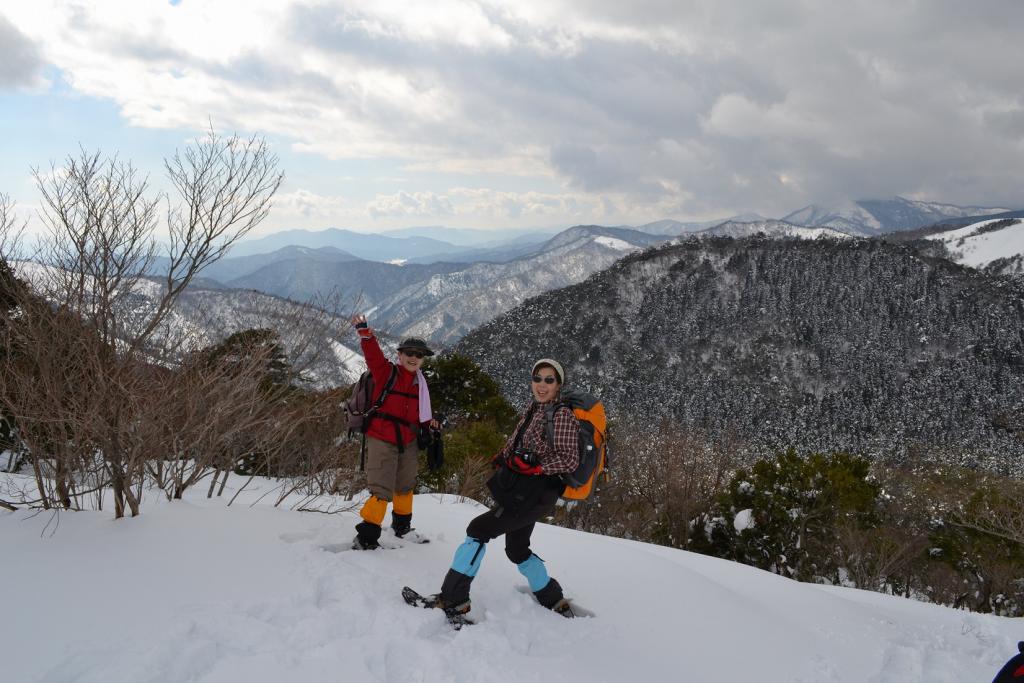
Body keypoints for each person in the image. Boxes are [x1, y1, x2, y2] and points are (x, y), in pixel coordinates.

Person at [430, 358, 580, 618]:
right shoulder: (534, 409)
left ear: (559, 385)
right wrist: (503, 457)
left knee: (478, 530)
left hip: (534, 493)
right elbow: (517, 441)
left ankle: (453, 599)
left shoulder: (561, 414)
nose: (542, 385)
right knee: (517, 549)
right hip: (527, 492)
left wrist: (537, 466)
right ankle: (553, 599)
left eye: (549, 380)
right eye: (537, 378)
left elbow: (570, 458)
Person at [350, 313, 438, 550]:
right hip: (382, 437)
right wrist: (366, 335)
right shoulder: (386, 373)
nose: (413, 358)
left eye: (418, 355)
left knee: (405, 485)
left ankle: (402, 528)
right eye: (409, 353)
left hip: (408, 440)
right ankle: (366, 537)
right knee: (381, 489)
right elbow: (373, 357)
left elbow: (421, 412)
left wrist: (430, 425)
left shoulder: (420, 383)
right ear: (399, 355)